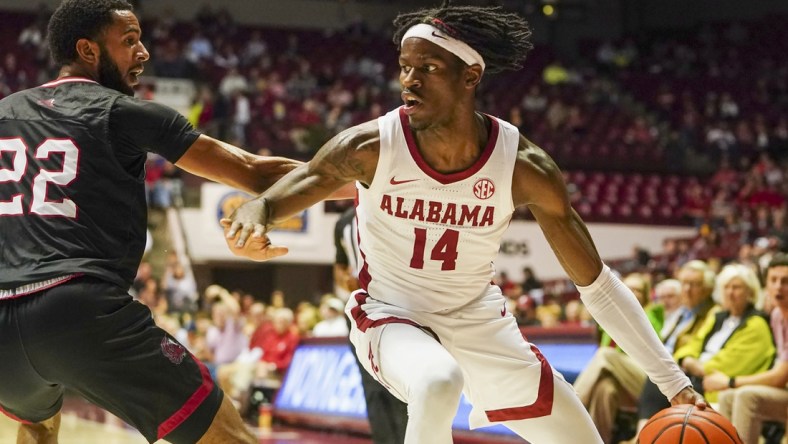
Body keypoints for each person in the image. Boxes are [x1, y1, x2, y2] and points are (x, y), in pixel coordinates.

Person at [224, 3, 705, 443]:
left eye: (428, 69)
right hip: (391, 314)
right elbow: (304, 181)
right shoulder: (371, 146)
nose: (409, 81)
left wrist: (674, 384)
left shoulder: (522, 166)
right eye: (405, 69)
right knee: (437, 381)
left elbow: (596, 285)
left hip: (479, 322)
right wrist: (257, 210)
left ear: (470, 75)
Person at [0, 1, 307, 443]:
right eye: (129, 41)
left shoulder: (6, 110)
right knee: (229, 436)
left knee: (37, 425)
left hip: (4, 326)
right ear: (88, 50)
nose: (143, 52)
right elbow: (257, 173)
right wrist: (367, 180)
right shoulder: (123, 112)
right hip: (77, 310)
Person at [334, 206, 408, 443]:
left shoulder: (344, 221)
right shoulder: (385, 209)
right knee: (396, 381)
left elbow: (341, 271)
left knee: (376, 382)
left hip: (365, 306)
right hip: (386, 304)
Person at [707, 254, 788, 444]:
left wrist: (731, 381)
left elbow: (780, 377)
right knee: (727, 396)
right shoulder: (776, 315)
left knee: (746, 395)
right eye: (773, 280)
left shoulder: (757, 322)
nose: (778, 287)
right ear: (765, 285)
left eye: (785, 281)